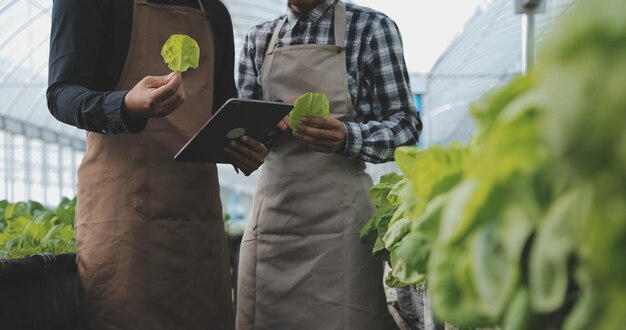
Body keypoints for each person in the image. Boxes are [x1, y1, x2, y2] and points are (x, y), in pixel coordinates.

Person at [46, 0, 268, 329]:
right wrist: (123, 103)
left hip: (196, 218)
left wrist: (242, 146)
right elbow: (61, 93)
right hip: (124, 217)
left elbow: (222, 107)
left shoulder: (213, 11)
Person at [235, 0, 422, 329]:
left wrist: (348, 136)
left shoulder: (370, 28)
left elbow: (406, 127)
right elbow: (244, 133)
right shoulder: (258, 39)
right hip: (272, 223)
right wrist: (256, 134)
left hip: (341, 226)